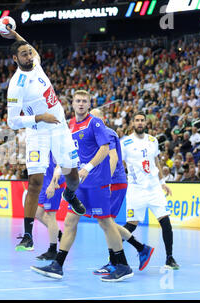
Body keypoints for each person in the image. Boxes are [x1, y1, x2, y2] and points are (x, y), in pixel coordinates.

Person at [31, 90, 133, 282]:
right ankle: (58, 265)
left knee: (105, 222)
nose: (80, 103)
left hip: (98, 182)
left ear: (89, 104)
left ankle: (123, 265)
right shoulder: (71, 125)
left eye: (84, 101)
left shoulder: (95, 122)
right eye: (77, 100)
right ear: (73, 104)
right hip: (81, 184)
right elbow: (70, 152)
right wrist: (60, 172)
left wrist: (88, 167)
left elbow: (105, 149)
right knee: (70, 222)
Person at [3, 26, 85, 251]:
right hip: (38, 132)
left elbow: (26, 45)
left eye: (30, 52)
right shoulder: (16, 85)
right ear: (15, 58)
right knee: (35, 183)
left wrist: (13, 33)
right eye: (24, 54)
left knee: (73, 174)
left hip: (59, 129)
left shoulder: (37, 63)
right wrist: (40, 117)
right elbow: (12, 121)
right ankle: (28, 235)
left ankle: (69, 194)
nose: (29, 56)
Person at [90, 108, 154, 276]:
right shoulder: (98, 133)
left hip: (114, 182)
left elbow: (114, 158)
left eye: (96, 118)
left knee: (106, 222)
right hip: (110, 182)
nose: (93, 121)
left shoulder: (106, 133)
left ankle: (119, 260)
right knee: (105, 223)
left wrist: (107, 181)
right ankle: (139, 249)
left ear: (102, 119)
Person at [121, 111, 179, 269]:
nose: (140, 123)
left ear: (146, 123)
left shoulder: (153, 141)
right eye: (137, 120)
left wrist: (163, 182)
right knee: (131, 225)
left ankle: (169, 258)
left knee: (166, 223)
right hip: (136, 189)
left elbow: (156, 162)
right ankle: (114, 256)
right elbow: (120, 165)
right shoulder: (125, 142)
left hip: (154, 189)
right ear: (133, 123)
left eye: (142, 120)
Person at [33, 152, 64, 260]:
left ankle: (52, 250)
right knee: (38, 213)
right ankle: (59, 234)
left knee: (51, 215)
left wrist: (52, 183)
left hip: (54, 183)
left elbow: (60, 165)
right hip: (45, 182)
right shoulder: (41, 144)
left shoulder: (56, 142)